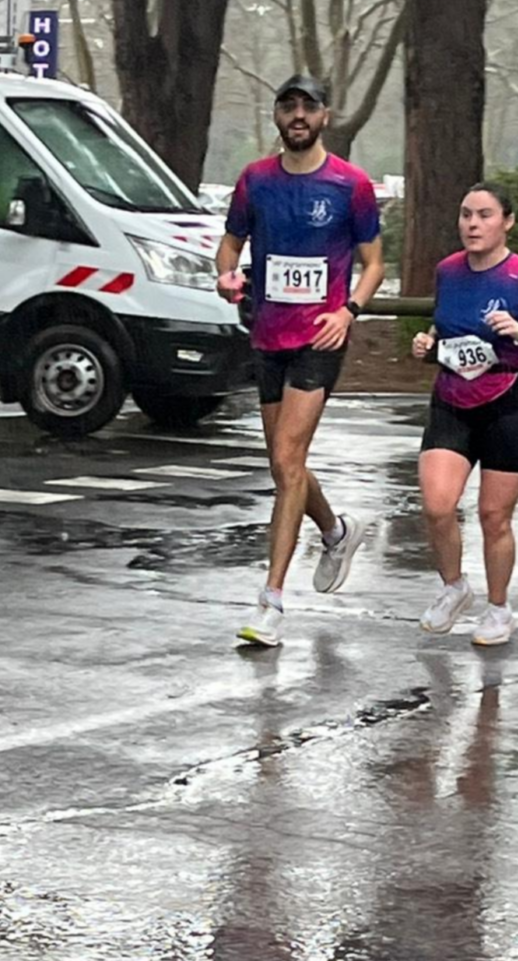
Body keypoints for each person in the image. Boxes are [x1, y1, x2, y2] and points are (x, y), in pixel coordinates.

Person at [216, 74, 384, 647]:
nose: (297, 115)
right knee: (283, 465)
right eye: (288, 106)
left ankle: (271, 602)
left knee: (288, 458)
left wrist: (349, 312)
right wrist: (226, 274)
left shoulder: (350, 185)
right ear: (277, 116)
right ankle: (336, 532)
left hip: (320, 338)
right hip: (268, 336)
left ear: (324, 116)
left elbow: (374, 263)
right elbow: (231, 243)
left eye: (307, 107)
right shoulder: (255, 180)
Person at [411, 182, 518, 646]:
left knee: (493, 516)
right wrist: (428, 342)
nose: (473, 224)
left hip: (509, 402)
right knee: (437, 505)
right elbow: (446, 326)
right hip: (452, 397)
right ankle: (454, 586)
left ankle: (498, 608)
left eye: (484, 215)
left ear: (507, 222)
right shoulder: (448, 271)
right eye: (466, 214)